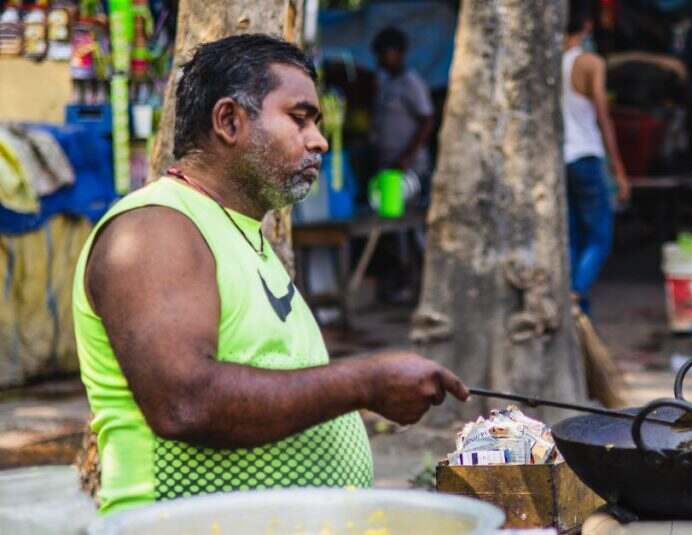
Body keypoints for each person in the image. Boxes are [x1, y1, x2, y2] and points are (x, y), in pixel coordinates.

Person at [72, 34, 468, 515]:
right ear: (229, 121)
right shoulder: (155, 229)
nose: (318, 140)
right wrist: (364, 383)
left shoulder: (242, 235)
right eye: (299, 118)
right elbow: (184, 401)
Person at [562, 0, 630, 314]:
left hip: (562, 160)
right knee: (600, 237)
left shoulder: (550, 63)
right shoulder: (591, 64)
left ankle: (578, 312)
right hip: (587, 156)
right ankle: (575, 295)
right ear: (587, 25)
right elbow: (603, 118)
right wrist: (618, 169)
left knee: (574, 238)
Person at [371, 26, 434, 181]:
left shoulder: (411, 83)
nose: (380, 58)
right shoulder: (385, 82)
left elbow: (428, 121)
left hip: (410, 169)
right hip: (388, 165)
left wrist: (406, 158)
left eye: (384, 53)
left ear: (398, 53)